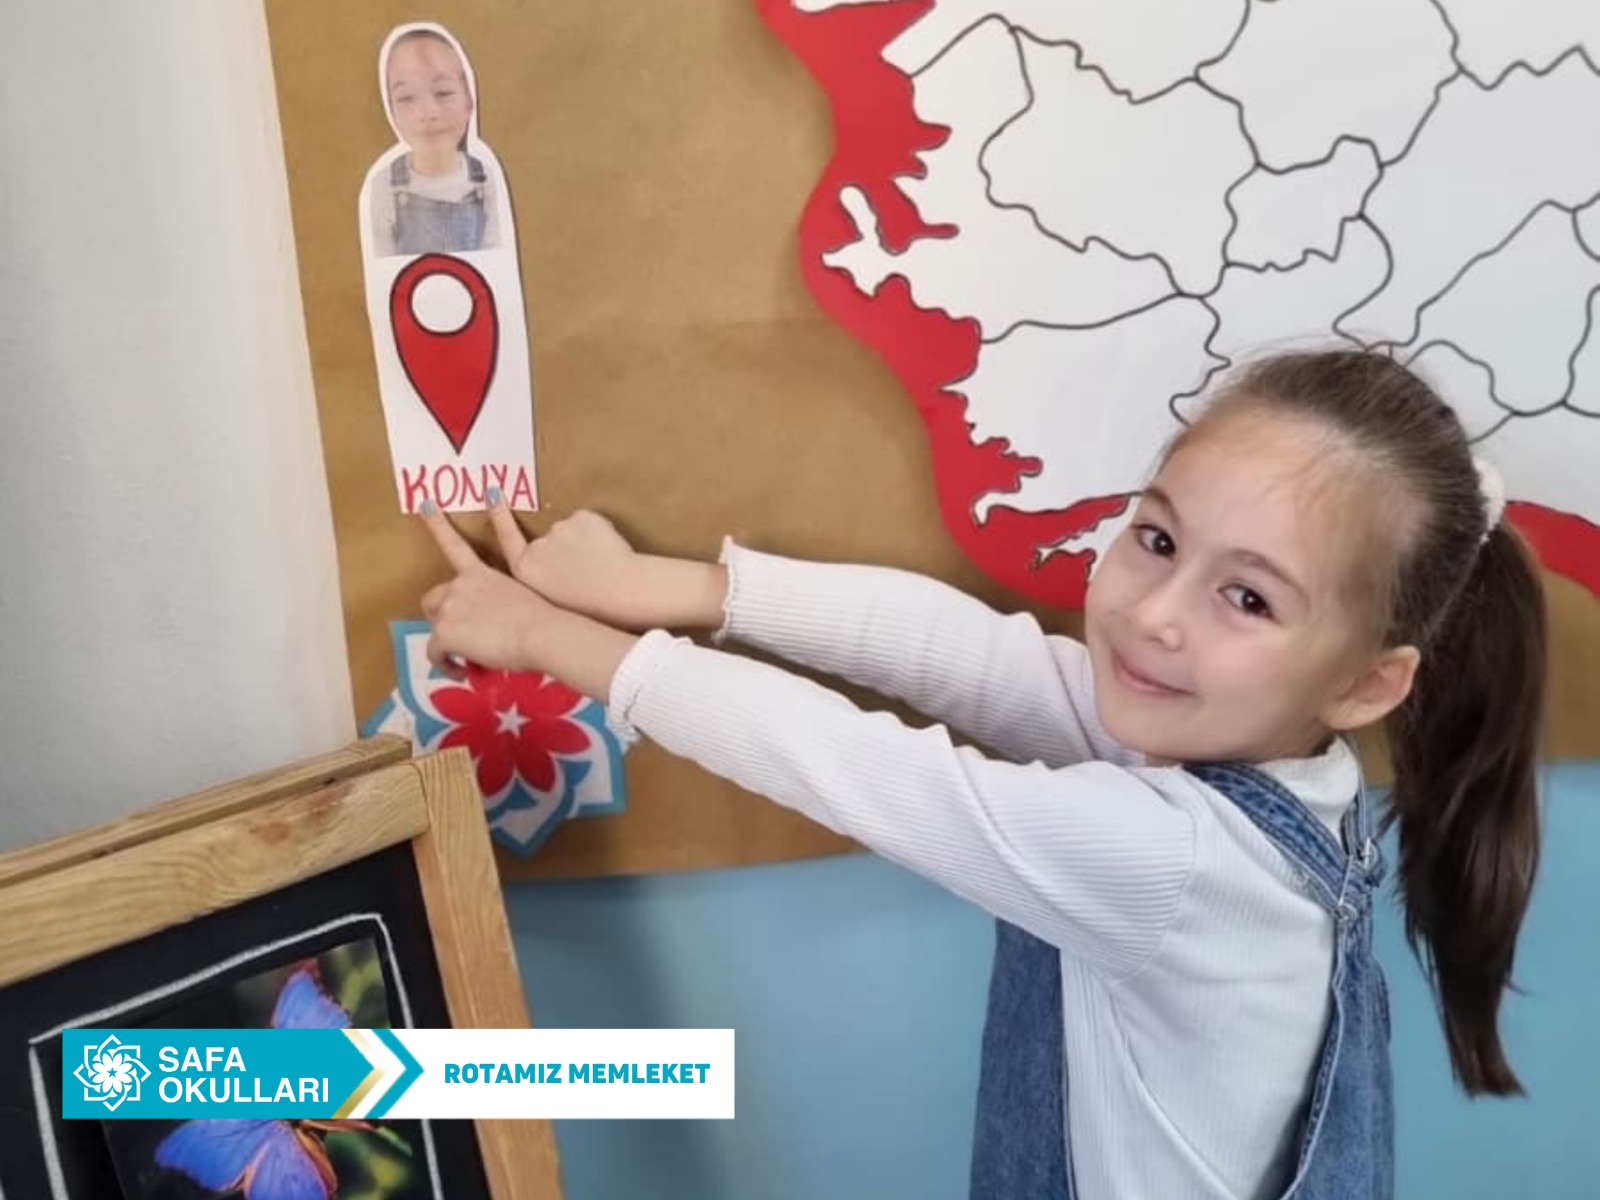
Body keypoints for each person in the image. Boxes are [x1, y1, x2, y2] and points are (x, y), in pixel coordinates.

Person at [416, 349, 1547, 1200]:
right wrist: (677, 589)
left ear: (1366, 682)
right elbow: (967, 651)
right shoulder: (1282, 765)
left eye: (1246, 598)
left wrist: (543, 635)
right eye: (1157, 540)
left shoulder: (1173, 857)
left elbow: (851, 764)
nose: (1155, 614)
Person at [366, 28, 502, 258]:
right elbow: (382, 267)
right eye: (406, 98)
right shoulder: (384, 186)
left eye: (443, 93)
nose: (428, 113)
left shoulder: (487, 180)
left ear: (469, 101)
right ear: (391, 112)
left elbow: (496, 260)